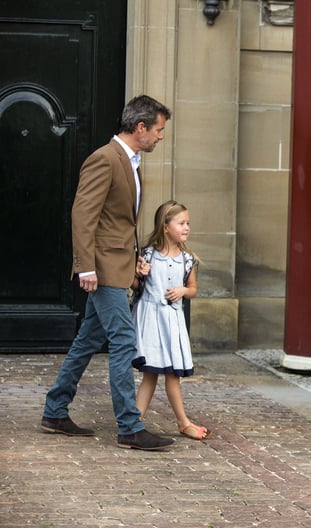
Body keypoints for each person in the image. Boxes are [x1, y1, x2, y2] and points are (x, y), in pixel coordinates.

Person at [41, 95, 175, 450]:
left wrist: (134, 262)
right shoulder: (105, 159)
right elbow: (84, 215)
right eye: (159, 130)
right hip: (101, 270)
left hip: (117, 266)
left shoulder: (131, 162)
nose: (161, 137)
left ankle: (55, 410)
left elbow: (119, 223)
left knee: (87, 341)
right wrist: (85, 266)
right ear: (140, 127)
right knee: (123, 341)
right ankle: (129, 427)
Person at [131, 200, 209, 441]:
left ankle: (183, 422)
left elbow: (193, 288)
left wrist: (183, 292)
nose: (186, 227)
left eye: (188, 223)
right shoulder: (147, 255)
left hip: (172, 322)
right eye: (181, 223)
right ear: (165, 227)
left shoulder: (187, 259)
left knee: (173, 375)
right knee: (150, 374)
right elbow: (135, 287)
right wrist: (137, 273)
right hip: (151, 321)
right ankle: (135, 421)